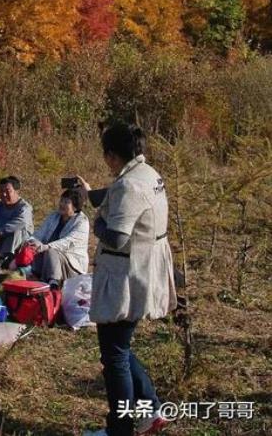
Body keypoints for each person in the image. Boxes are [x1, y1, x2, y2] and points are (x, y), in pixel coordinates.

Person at [79, 123, 177, 436]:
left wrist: (96, 224)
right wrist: (92, 195)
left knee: (114, 355)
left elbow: (118, 237)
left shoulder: (128, 186)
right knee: (119, 346)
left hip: (126, 276)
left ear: (110, 156)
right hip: (146, 268)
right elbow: (121, 198)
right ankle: (151, 409)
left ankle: (120, 429)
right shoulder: (149, 174)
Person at [12, 189, 89, 288]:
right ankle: (33, 274)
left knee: (51, 251)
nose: (62, 204)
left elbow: (68, 242)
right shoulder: (54, 216)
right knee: (35, 246)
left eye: (66, 202)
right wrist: (31, 242)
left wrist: (46, 247)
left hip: (72, 266)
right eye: (61, 200)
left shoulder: (82, 221)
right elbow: (40, 233)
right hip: (49, 259)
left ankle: (54, 282)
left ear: (75, 206)